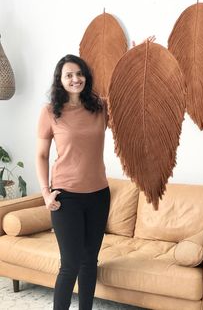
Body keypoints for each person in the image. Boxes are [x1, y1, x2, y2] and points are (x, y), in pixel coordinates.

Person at [36, 54, 110, 310]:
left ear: (86, 77)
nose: (75, 79)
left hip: (99, 195)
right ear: (60, 79)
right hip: (66, 197)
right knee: (70, 264)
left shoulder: (101, 107)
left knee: (90, 261)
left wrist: (134, 58)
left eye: (79, 74)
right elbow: (42, 155)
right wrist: (46, 192)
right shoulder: (50, 112)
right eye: (69, 75)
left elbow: (128, 97)